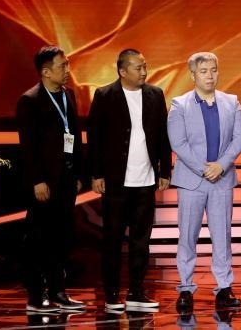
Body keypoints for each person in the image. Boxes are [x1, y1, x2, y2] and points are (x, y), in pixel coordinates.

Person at [88, 48, 172, 312]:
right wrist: (96, 174)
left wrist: (165, 171)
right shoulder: (104, 95)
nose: (144, 72)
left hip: (146, 181)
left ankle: (136, 292)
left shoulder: (155, 94)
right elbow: (95, 137)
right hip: (115, 182)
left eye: (145, 66)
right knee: (112, 240)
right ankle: (112, 294)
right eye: (138, 67)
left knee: (141, 241)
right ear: (122, 71)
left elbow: (163, 135)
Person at [167, 52, 241, 313]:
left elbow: (239, 138)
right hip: (192, 181)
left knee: (222, 235)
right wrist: (205, 169)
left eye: (213, 70)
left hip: (222, 179)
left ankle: (224, 287)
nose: (210, 75)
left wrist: (221, 165)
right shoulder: (179, 105)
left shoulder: (232, 102)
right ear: (193, 75)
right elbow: (178, 143)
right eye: (203, 71)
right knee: (188, 235)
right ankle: (185, 287)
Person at [16, 46, 87, 314]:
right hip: (44, 183)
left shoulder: (68, 95)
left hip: (67, 180)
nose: (67, 70)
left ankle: (59, 292)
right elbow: (28, 146)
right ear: (46, 72)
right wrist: (37, 180)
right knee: (39, 239)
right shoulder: (30, 100)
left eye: (67, 64)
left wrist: (77, 174)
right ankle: (36, 297)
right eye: (62, 66)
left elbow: (74, 137)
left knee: (62, 238)